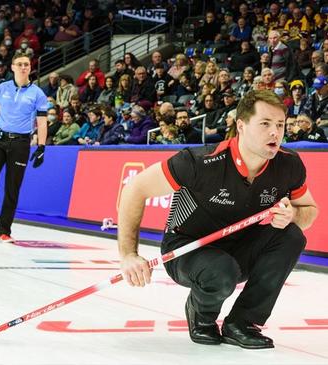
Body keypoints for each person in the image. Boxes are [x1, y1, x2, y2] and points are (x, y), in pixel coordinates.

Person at [117, 90, 318, 349]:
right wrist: (128, 254)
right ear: (241, 126)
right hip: (188, 248)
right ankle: (200, 314)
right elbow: (136, 188)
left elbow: (309, 211)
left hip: (242, 247)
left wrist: (293, 215)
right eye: (265, 124)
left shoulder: (289, 165)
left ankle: (242, 322)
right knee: (222, 272)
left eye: (280, 125)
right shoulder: (200, 162)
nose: (275, 133)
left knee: (292, 236)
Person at [0, 53, 47, 243]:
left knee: (12, 187)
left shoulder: (37, 93)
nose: (24, 67)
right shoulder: (2, 88)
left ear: (30, 67)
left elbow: (42, 122)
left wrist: (42, 146)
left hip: (20, 144)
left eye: (26, 64)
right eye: (20, 64)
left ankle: (4, 230)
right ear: (13, 67)